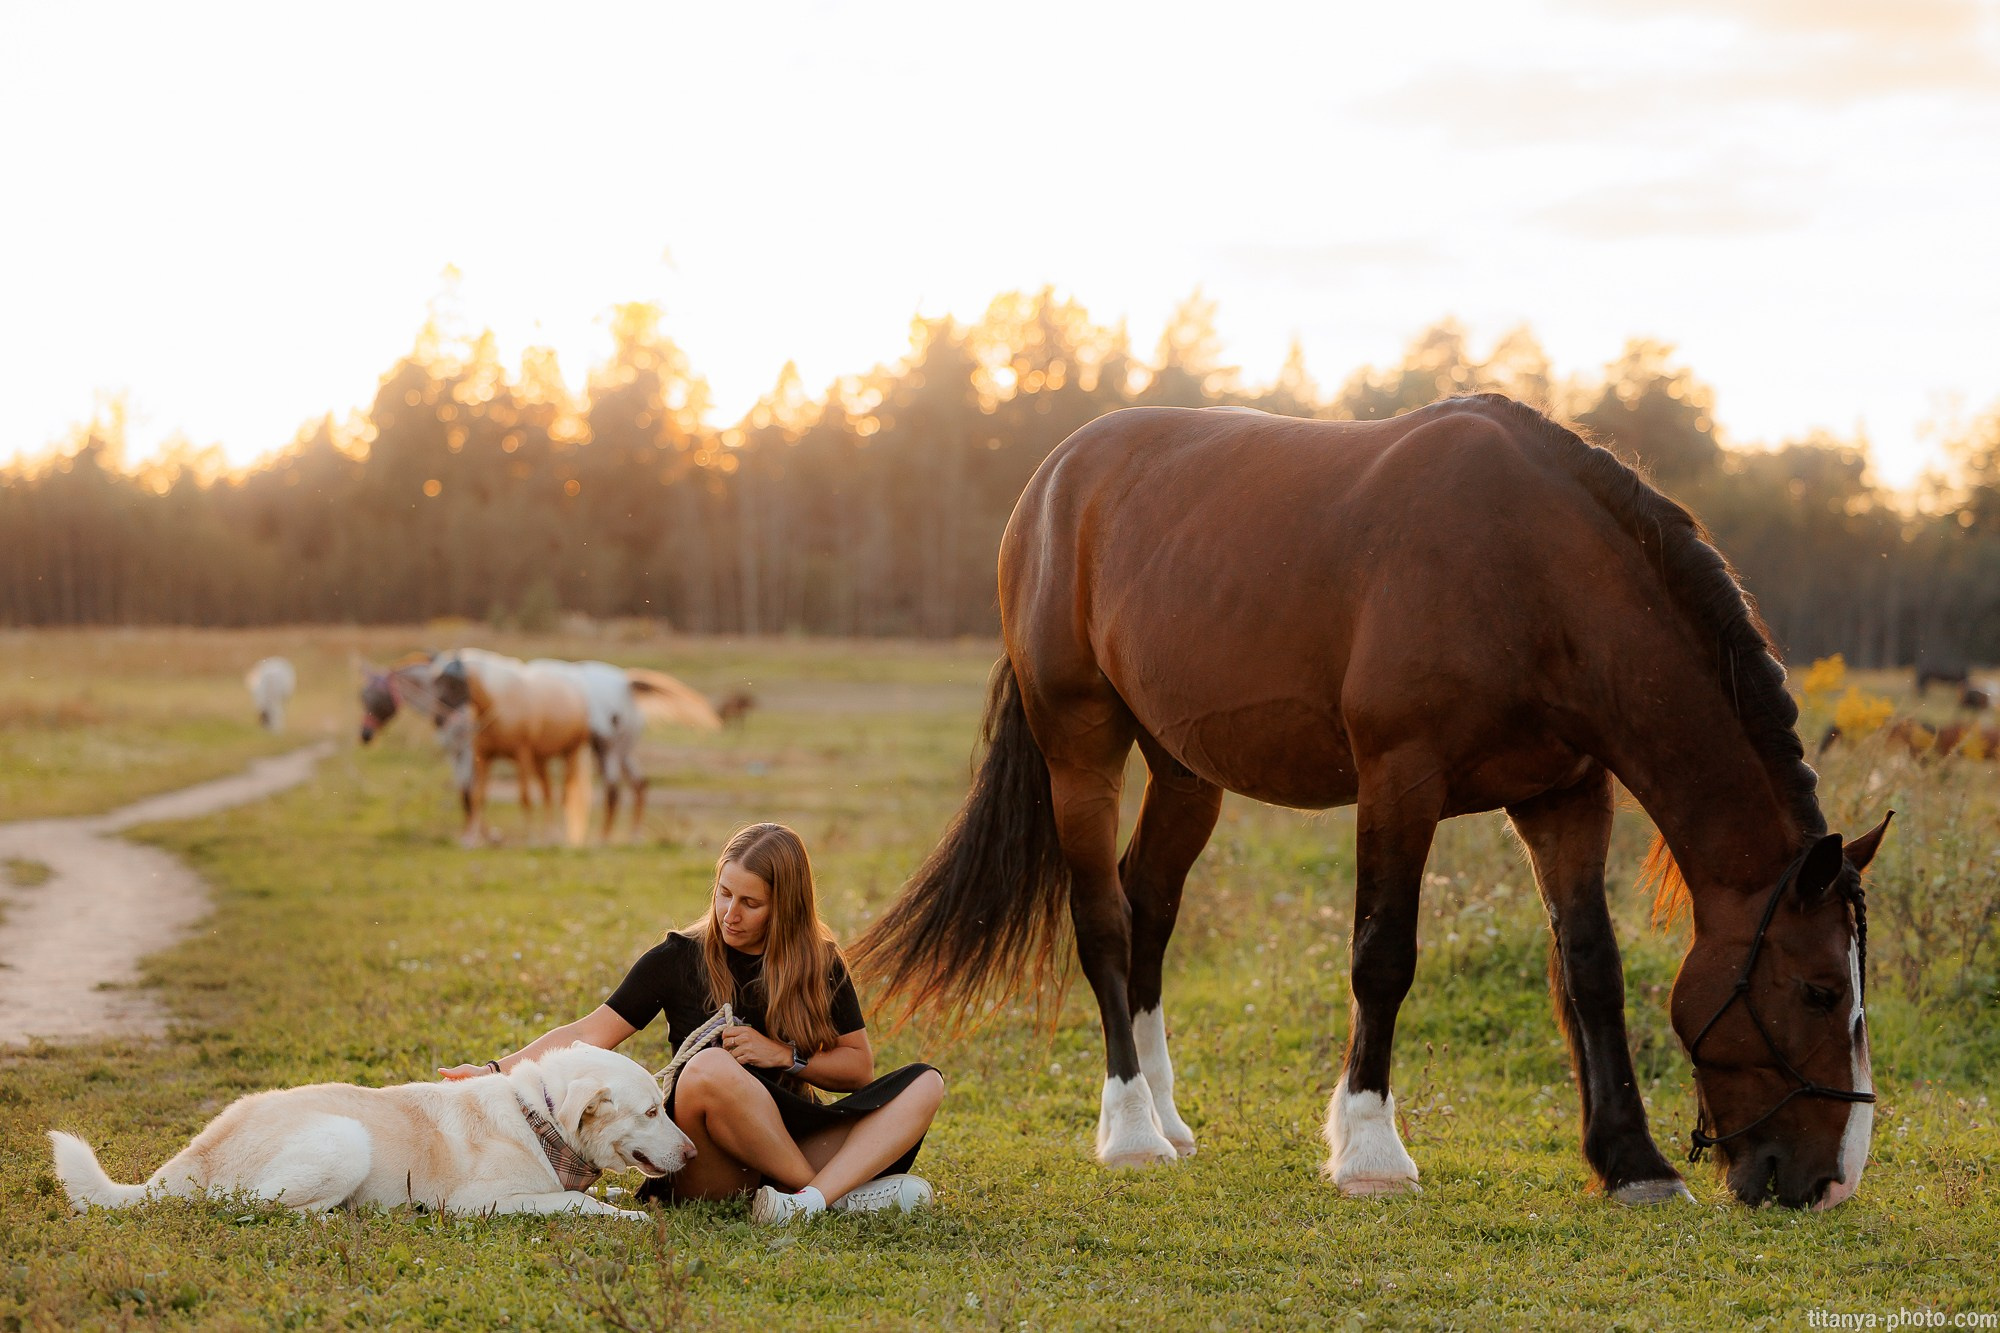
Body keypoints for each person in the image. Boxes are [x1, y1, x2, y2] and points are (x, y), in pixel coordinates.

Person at [441, 822, 944, 1224]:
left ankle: (806, 1200)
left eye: (750, 903)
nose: (730, 913)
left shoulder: (820, 962)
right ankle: (830, 1194)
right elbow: (586, 1034)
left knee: (927, 1083)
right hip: (709, 1158)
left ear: (786, 907)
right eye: (724, 893)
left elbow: (857, 1068)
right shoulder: (677, 958)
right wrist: (493, 1070)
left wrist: (783, 1056)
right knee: (709, 1068)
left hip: (790, 1135)